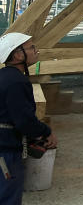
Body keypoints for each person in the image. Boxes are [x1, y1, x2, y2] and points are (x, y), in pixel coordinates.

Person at [0, 32, 56, 204]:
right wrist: (46, 133)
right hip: (5, 150)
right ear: (17, 55)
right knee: (8, 197)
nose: (35, 50)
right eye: (31, 47)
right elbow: (24, 120)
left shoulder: (5, 76)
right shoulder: (16, 82)